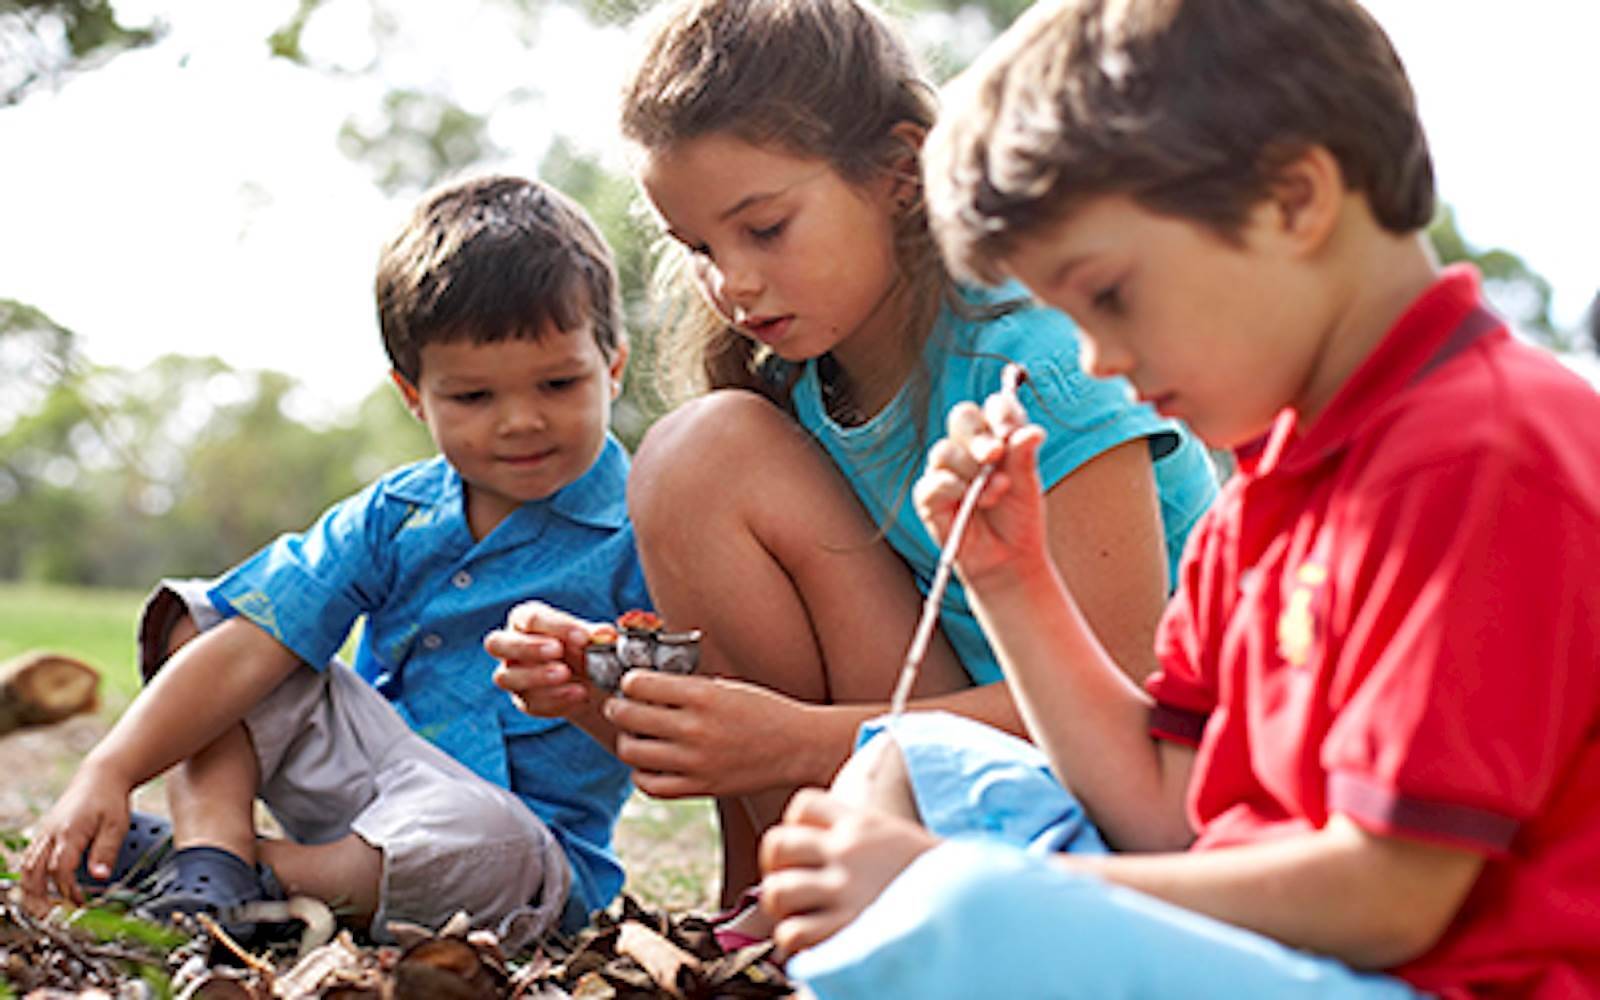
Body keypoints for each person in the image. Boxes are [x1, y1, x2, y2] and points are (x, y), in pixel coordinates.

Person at [755, 0, 1600, 996]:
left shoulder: (1484, 452)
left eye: (1108, 295)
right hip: (1263, 947)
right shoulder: (1264, 491)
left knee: (964, 907)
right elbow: (1169, 811)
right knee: (920, 755)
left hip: (1412, 975)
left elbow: (1391, 897)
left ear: (1292, 199)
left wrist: (987, 887)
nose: (1100, 358)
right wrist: (1011, 580)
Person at [486, 0, 1218, 925]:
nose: (732, 282)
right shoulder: (793, 380)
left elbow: (1135, 696)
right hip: (930, 752)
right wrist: (607, 688)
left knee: (701, 452)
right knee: (695, 455)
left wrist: (801, 743)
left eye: (765, 229)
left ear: (900, 172)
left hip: (1135, 791)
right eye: (699, 248)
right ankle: (769, 896)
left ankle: (835, 903)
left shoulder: (1037, 365)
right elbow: (785, 688)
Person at [20, 174, 649, 947]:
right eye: (473, 397)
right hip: (365, 783)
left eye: (559, 383)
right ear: (413, 395)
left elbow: (674, 728)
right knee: (220, 624)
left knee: (489, 838)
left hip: (514, 855)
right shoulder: (396, 515)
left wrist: (594, 686)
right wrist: (107, 770)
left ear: (612, 366)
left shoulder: (644, 528)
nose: (520, 421)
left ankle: (251, 877)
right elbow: (249, 647)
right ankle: (209, 857)